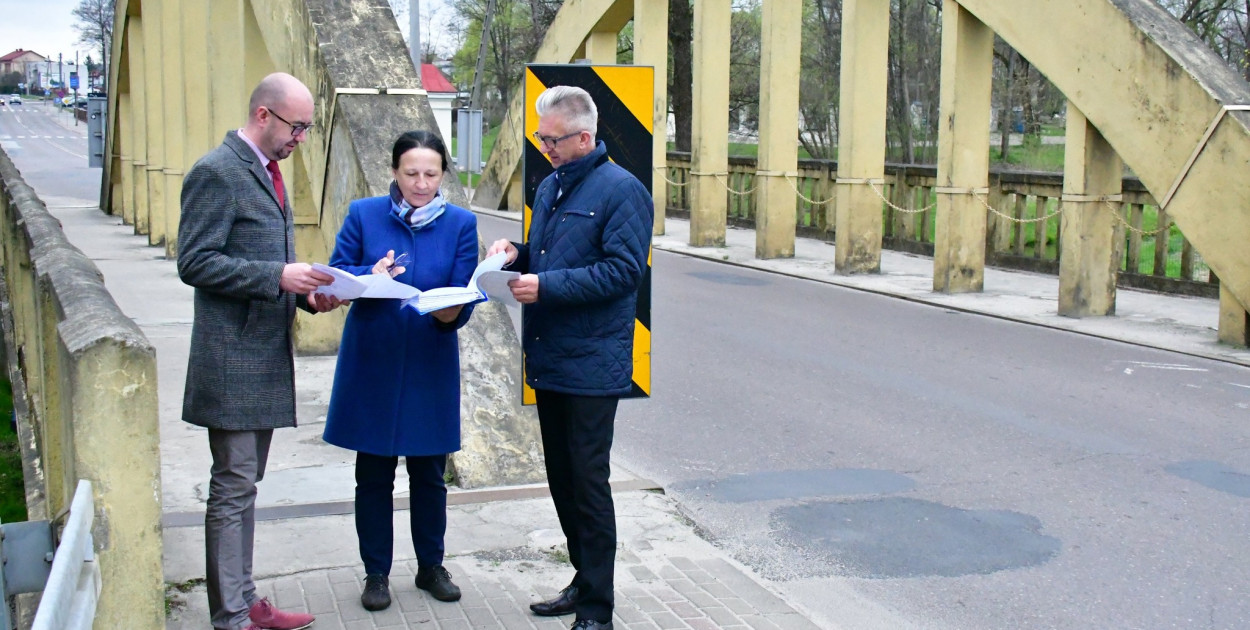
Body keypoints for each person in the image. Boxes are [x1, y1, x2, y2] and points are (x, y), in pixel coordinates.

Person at [178, 72, 346, 630]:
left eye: (306, 127)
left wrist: (308, 296)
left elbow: (260, 265)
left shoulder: (268, 172)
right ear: (264, 115)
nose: (301, 137)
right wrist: (278, 274)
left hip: (263, 357)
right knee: (232, 488)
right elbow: (195, 262)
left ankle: (245, 602)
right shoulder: (217, 171)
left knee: (245, 487)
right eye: (297, 126)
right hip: (230, 359)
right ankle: (231, 617)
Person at [486, 85, 653, 630]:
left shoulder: (622, 190)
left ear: (584, 137)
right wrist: (519, 253)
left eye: (551, 138)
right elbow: (557, 254)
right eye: (539, 136)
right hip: (552, 357)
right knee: (562, 479)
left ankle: (598, 610)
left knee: (588, 482)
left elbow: (624, 271)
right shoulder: (554, 183)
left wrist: (548, 285)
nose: (543, 145)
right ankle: (582, 582)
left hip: (592, 364)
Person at [322, 130, 478, 612]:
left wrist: (450, 308)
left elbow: (465, 292)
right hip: (374, 360)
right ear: (393, 172)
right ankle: (376, 573)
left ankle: (431, 565)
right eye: (411, 173)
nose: (421, 183)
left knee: (429, 474)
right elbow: (335, 276)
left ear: (443, 174)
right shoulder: (363, 214)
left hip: (429, 361)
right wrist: (371, 277)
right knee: (373, 474)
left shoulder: (461, 224)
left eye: (431, 173)